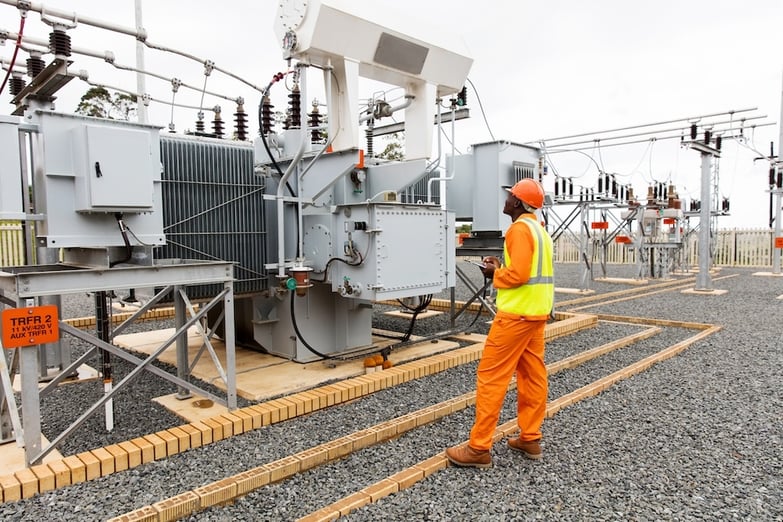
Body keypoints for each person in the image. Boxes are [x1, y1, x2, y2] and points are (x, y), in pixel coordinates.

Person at [446, 178, 554, 468]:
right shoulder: (540, 231)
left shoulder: (518, 230)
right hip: (536, 314)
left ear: (517, 203)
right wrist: (501, 268)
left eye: (509, 196)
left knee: (491, 377)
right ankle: (530, 437)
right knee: (532, 377)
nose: (505, 200)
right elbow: (528, 271)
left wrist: (495, 274)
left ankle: (479, 448)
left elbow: (519, 275)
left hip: (516, 316)